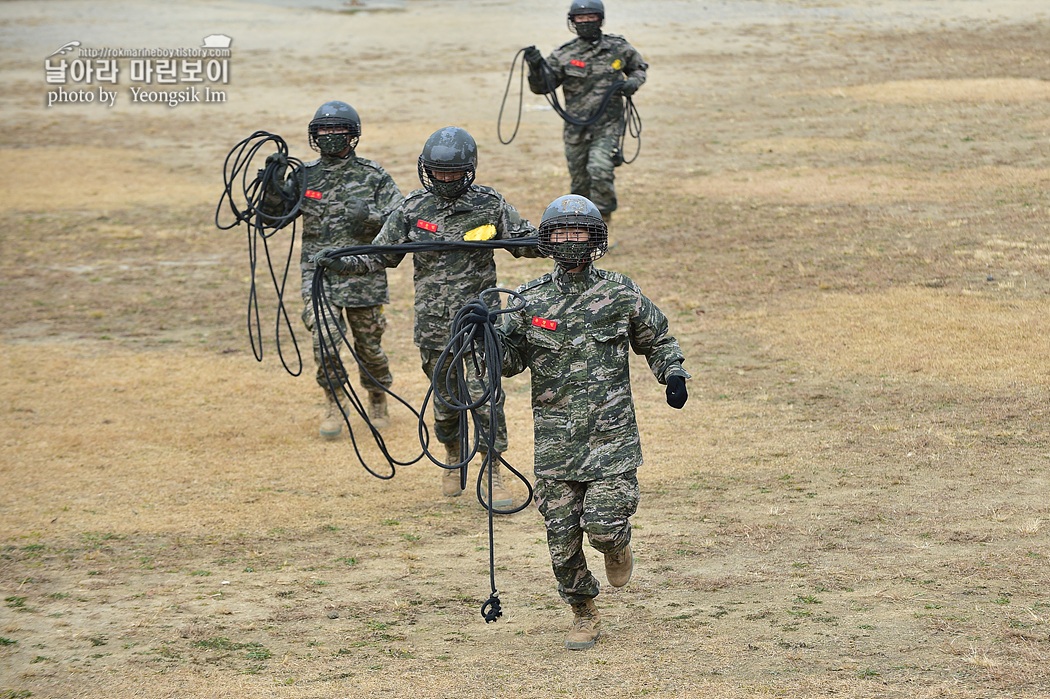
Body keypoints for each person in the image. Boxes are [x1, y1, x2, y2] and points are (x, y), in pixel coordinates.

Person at [470, 194, 688, 650]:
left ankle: (616, 544)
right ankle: (583, 612)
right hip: (556, 446)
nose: (570, 240)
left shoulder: (618, 292)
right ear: (547, 240)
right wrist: (482, 334)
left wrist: (673, 373)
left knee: (604, 525)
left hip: (612, 440)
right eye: (561, 232)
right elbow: (507, 363)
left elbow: (657, 338)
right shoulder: (528, 300)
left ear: (595, 240)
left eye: (580, 232)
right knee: (561, 542)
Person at [314, 126, 539, 509]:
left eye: (452, 173)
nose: (445, 179)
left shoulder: (490, 205)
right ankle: (452, 455)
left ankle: (493, 472)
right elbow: (379, 255)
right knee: (446, 404)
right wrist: (339, 264)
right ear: (426, 170)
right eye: (438, 172)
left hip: (479, 325)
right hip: (434, 329)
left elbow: (525, 241)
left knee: (488, 401)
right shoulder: (412, 208)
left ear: (468, 170)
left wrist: (562, 237)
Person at [260, 100, 403, 439]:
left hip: (363, 275)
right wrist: (272, 183)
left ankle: (377, 392)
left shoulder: (374, 175)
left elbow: (401, 225)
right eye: (323, 130)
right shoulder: (305, 175)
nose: (330, 135)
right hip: (318, 274)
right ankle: (334, 399)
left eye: (338, 129)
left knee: (369, 346)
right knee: (324, 340)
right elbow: (271, 219)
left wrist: (367, 218)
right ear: (314, 136)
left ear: (352, 135)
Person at [522, 0, 647, 229]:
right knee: (580, 181)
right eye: (581, 19)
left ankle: (604, 224)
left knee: (599, 170)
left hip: (608, 124)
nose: (586, 22)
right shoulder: (564, 54)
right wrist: (535, 67)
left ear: (600, 19)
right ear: (573, 22)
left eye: (591, 18)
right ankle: (582, 228)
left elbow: (639, 67)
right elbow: (542, 87)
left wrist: (633, 83)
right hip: (576, 127)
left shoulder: (618, 48)